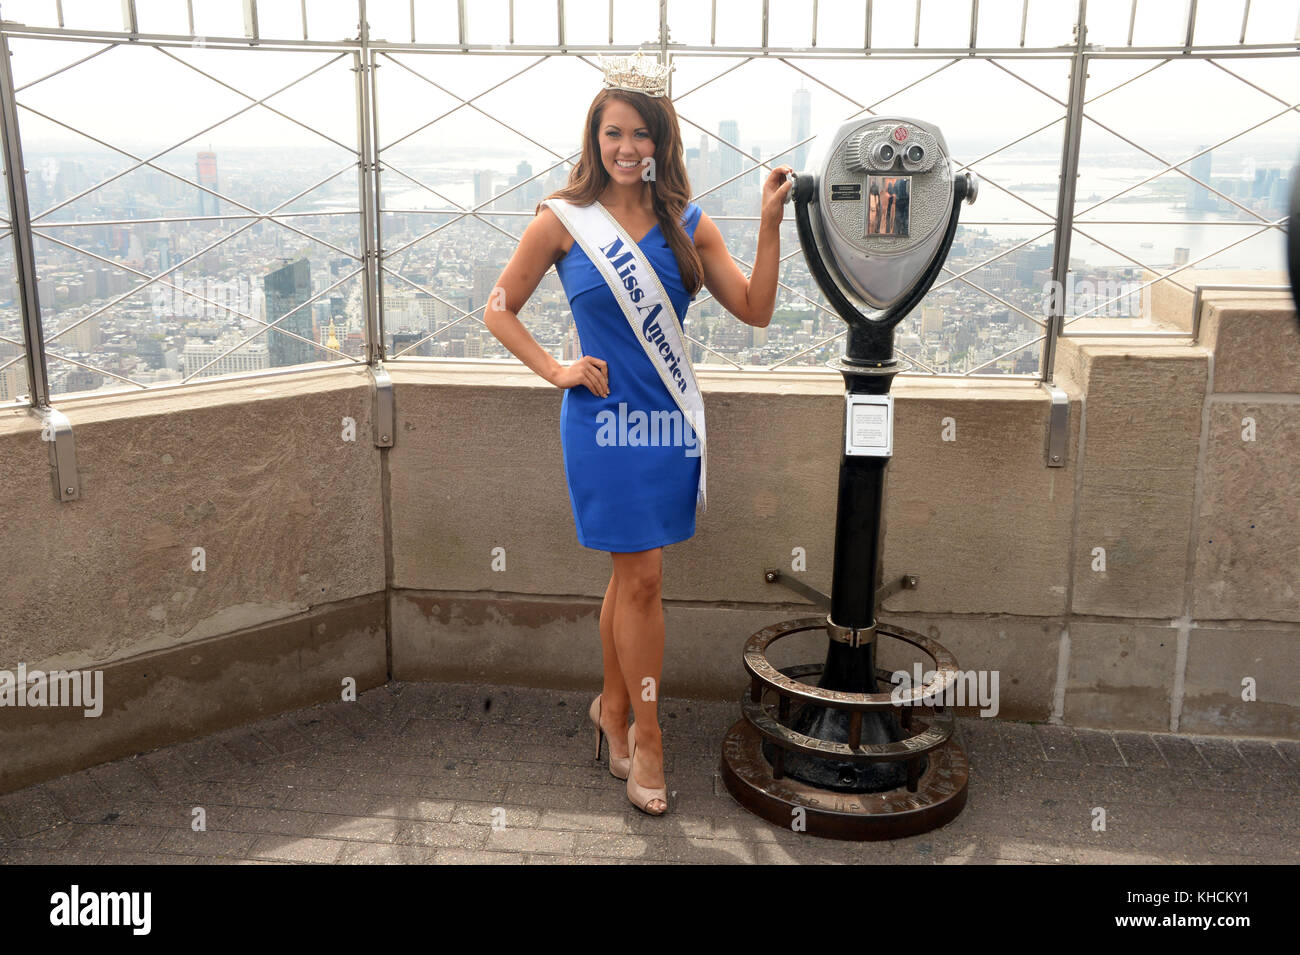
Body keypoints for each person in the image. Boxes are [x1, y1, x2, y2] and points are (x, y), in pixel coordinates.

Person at [484, 53, 791, 815]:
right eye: (613, 132)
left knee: (630, 579)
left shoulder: (688, 223)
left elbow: (754, 309)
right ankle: (648, 738)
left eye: (641, 134)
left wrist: (768, 223)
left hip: (667, 420)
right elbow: (498, 307)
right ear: (595, 139)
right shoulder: (559, 220)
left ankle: (612, 710)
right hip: (601, 422)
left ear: (661, 142)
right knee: (645, 577)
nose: (627, 147)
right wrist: (554, 368)